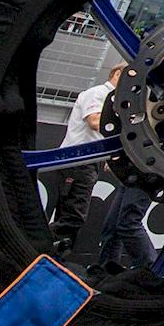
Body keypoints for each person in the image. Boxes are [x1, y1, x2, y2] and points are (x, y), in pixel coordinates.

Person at [45, 63, 123, 257]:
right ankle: (38, 243)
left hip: (86, 161)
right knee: (73, 217)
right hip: (79, 161)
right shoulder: (98, 94)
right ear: (118, 73)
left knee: (68, 215)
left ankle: (53, 254)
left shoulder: (112, 99)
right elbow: (95, 122)